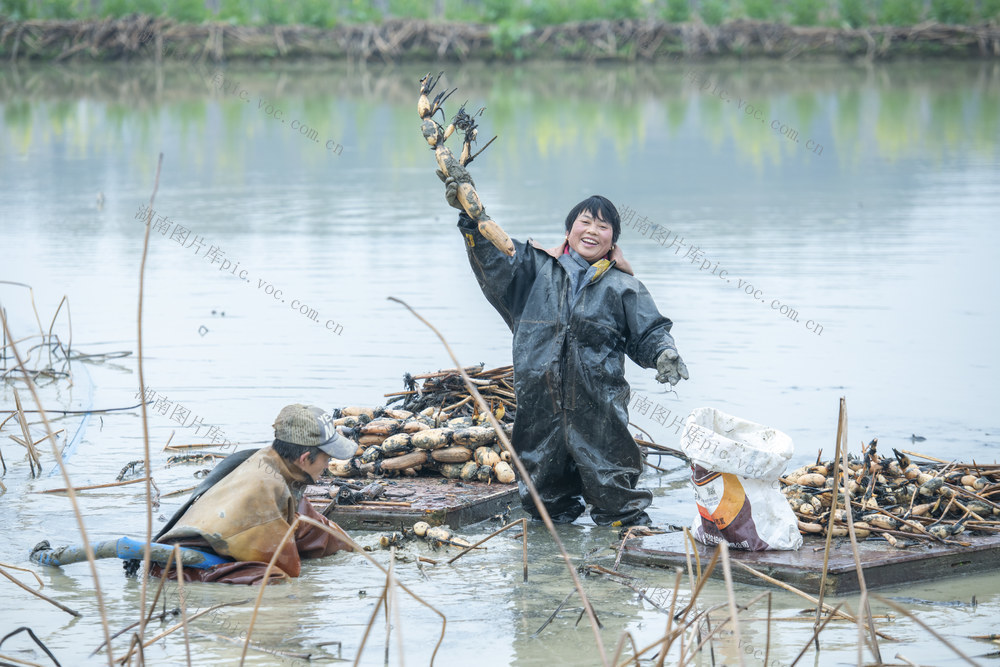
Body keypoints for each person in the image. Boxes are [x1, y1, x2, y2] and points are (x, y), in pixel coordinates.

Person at [447, 183, 689, 527]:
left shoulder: (624, 287)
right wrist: (470, 218)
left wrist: (664, 353)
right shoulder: (532, 270)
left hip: (598, 404)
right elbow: (494, 256)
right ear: (569, 229)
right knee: (542, 496)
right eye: (585, 222)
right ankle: (553, 553)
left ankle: (625, 540)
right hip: (538, 402)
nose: (592, 231)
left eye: (603, 227)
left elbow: (649, 332)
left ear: (613, 241)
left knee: (614, 487)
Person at [152, 404, 356, 584]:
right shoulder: (266, 488)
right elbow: (287, 566)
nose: (327, 466)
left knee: (309, 525)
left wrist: (354, 548)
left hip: (215, 540)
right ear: (304, 458)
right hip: (180, 568)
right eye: (327, 459)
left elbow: (308, 525)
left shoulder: (270, 460)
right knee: (276, 580)